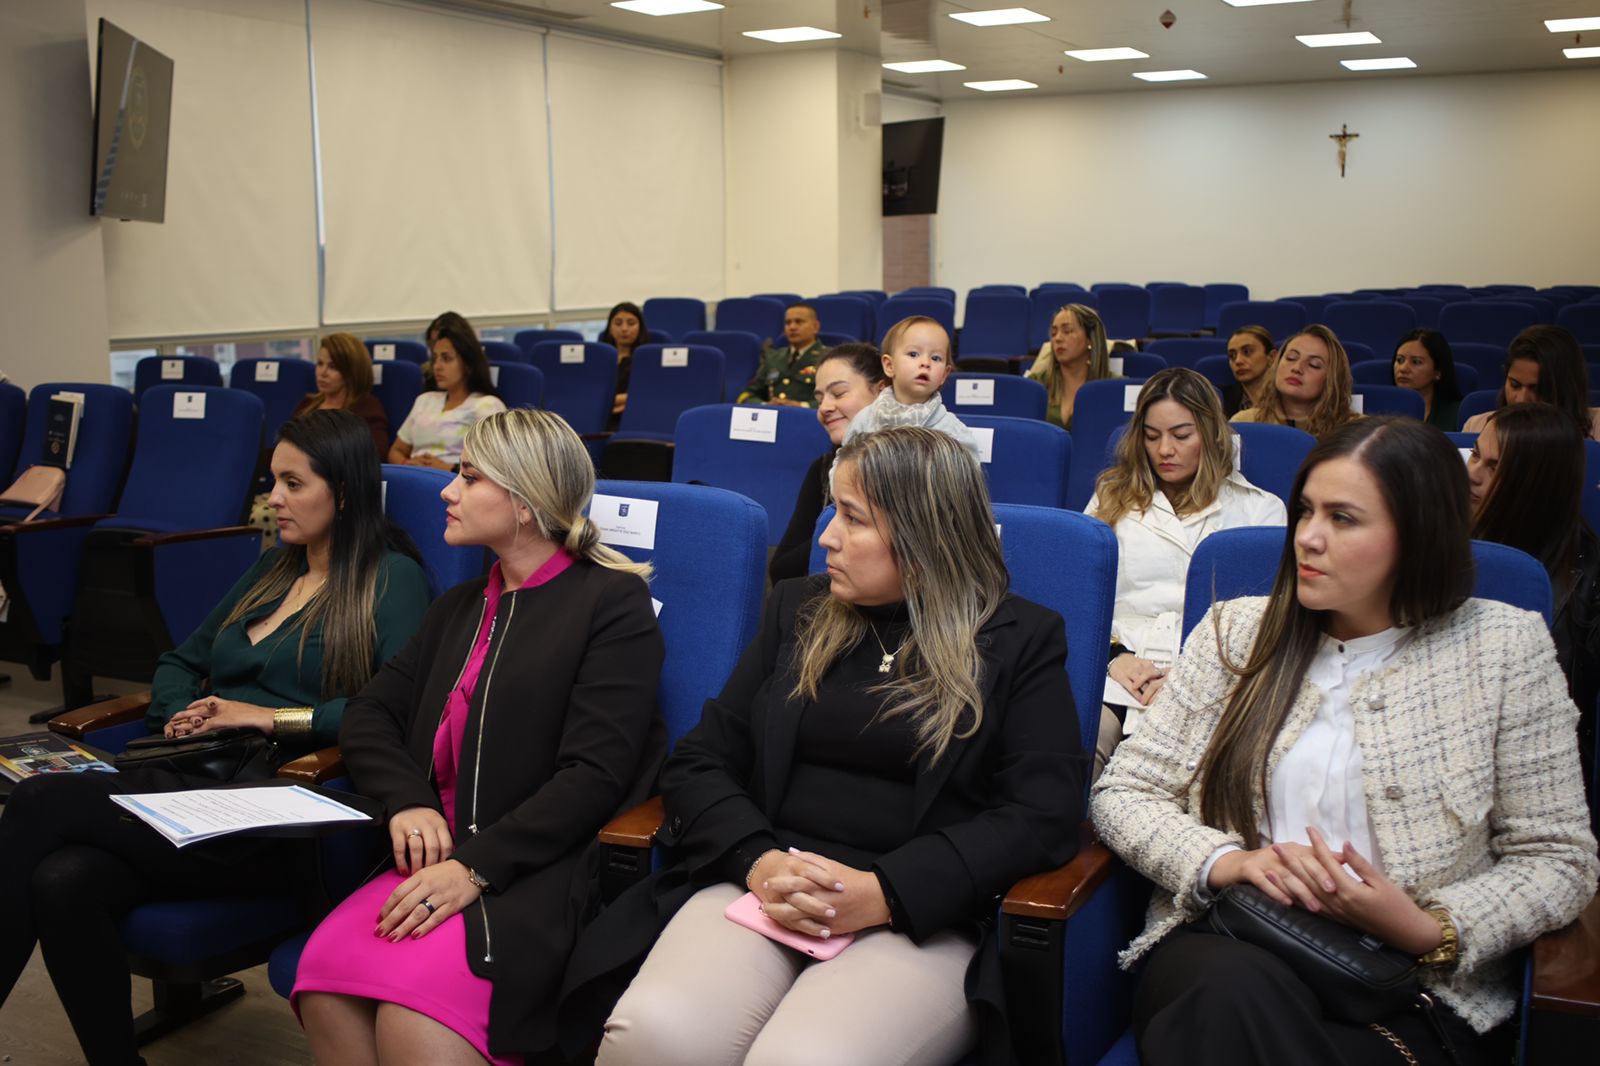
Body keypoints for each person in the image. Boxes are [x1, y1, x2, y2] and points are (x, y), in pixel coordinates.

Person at [565, 427, 1085, 1066]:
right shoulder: (798, 609)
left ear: (925, 536)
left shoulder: (1019, 638)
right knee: (657, 1035)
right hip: (765, 884)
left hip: (917, 913)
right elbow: (701, 759)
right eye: (832, 510)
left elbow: (1042, 813)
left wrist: (887, 891)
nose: (827, 536)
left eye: (853, 518)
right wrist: (757, 860)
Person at [1092, 417, 1599, 1066]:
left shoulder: (1505, 648)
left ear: (1418, 534)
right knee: (1225, 994)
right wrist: (1229, 863)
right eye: (1305, 510)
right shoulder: (1238, 633)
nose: (1308, 537)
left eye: (1344, 518)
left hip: (1410, 983)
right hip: (1235, 940)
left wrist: (1431, 927)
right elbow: (1126, 791)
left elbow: (1558, 857)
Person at [0, 410, 431, 1065]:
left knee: (39, 802)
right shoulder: (272, 571)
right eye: (271, 481)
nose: (273, 500)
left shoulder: (392, 580)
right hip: (197, 780)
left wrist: (263, 717)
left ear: (342, 493)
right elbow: (179, 661)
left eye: (292, 483)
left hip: (281, 810)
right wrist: (186, 711)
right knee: (64, 881)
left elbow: (395, 712)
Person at [294, 408, 667, 1066]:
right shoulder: (460, 606)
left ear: (524, 502)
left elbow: (594, 775)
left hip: (536, 868)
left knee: (411, 1021)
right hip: (436, 857)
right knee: (323, 986)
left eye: (467, 477)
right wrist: (407, 800)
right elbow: (369, 712)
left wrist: (476, 867)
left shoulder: (610, 606)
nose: (446, 490)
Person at [1088, 369, 1286, 770]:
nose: (1164, 450)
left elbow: (1269, 621)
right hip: (1119, 669)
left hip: (1216, 678)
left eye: (1181, 436)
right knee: (1081, 747)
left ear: (1212, 435)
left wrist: (1191, 673)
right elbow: (1082, 594)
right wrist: (1114, 657)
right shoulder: (1111, 498)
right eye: (1151, 435)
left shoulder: (1260, 510)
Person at [1468, 402, 1600, 809]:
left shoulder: (1587, 584)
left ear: (1532, 485)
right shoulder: (1440, 543)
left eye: (1494, 466)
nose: (1472, 473)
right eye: (1475, 454)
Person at [769, 343, 888, 583]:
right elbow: (782, 569)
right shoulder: (824, 469)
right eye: (819, 398)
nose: (824, 408)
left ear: (881, 392)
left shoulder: (924, 467)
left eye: (839, 393)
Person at [838, 316, 981, 462]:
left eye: (936, 358)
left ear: (944, 374)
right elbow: (843, 465)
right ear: (889, 366)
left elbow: (968, 475)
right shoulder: (866, 420)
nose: (925, 363)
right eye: (913, 354)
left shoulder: (951, 429)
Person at [389, 317, 505, 471]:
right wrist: (408, 464)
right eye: (435, 359)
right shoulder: (425, 400)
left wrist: (449, 468)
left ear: (468, 364)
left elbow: (496, 465)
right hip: (416, 479)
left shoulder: (487, 405)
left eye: (446, 358)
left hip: (457, 483)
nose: (437, 366)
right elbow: (395, 451)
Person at [1462, 325, 1600, 439]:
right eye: (1515, 385)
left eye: (1537, 389)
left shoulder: (1597, 427)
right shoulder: (1476, 427)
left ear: (1564, 388)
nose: (1521, 399)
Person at [1230, 324, 1361, 438]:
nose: (1297, 368)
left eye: (1313, 365)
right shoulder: (1243, 422)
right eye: (1291, 358)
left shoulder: (1355, 430)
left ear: (1331, 379)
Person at [293, 331, 390, 458]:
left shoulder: (367, 407)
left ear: (351, 372)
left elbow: (375, 454)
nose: (322, 373)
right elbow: (286, 444)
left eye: (333, 367)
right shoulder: (307, 403)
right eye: (320, 364)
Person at [1027, 303, 1114, 429]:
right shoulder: (1036, 384)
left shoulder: (1114, 386)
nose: (1057, 339)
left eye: (1067, 331)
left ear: (1090, 339)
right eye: (1053, 333)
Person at [738, 302, 827, 407]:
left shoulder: (829, 357)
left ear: (816, 327)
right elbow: (748, 394)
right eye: (788, 323)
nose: (792, 327)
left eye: (799, 322)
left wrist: (802, 405)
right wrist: (765, 405)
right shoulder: (773, 357)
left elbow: (837, 398)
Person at [1391, 328, 1464, 432]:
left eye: (1416, 362)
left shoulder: (1457, 414)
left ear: (1437, 372)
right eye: (1399, 360)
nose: (1403, 369)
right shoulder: (1381, 409)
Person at [599, 301, 648, 419]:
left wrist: (605, 402)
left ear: (640, 328)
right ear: (610, 328)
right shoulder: (599, 359)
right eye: (618, 323)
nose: (624, 328)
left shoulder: (647, 359)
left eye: (631, 323)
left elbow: (644, 394)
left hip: (634, 416)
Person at [1221, 325, 1276, 417]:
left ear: (1271, 357)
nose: (1238, 361)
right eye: (1232, 355)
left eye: (1247, 352)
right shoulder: (1220, 400)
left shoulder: (1290, 399)